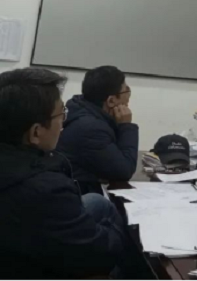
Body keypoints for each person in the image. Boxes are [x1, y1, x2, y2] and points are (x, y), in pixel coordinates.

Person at [0, 68, 125, 278]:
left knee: (98, 202)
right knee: (121, 243)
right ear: (36, 132)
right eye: (61, 114)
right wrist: (116, 235)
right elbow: (99, 257)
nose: (63, 124)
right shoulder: (44, 189)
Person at [57, 66, 138, 195]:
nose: (128, 97)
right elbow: (124, 171)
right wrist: (126, 126)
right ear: (111, 100)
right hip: (78, 195)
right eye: (126, 91)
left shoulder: (82, 110)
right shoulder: (91, 128)